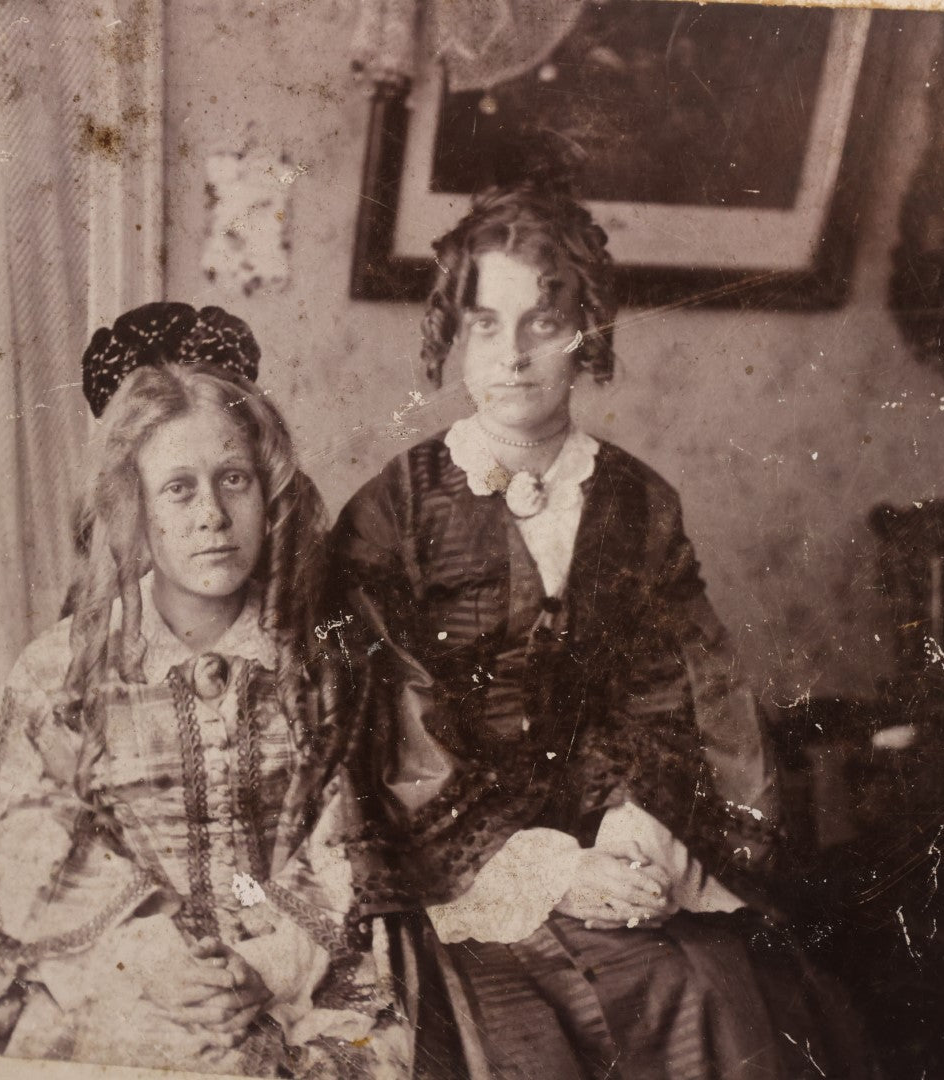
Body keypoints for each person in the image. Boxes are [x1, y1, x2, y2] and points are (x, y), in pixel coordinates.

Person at [332, 186, 856, 1079]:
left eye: (544, 322)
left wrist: (628, 844)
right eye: (487, 325)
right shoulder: (396, 508)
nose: (514, 355)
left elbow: (685, 696)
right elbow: (392, 733)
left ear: (589, 328)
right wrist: (543, 871)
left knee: (713, 996)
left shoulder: (639, 501)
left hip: (617, 848)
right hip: (457, 867)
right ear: (455, 332)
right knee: (504, 1040)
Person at [0, 303, 411, 1078]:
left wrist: (263, 964)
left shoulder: (319, 662)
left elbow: (346, 838)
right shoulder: (62, 668)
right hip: (112, 961)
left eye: (233, 481)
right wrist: (142, 952)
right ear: (134, 505)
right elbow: (22, 840)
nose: (212, 519)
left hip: (285, 964)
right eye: (178, 489)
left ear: (269, 494)